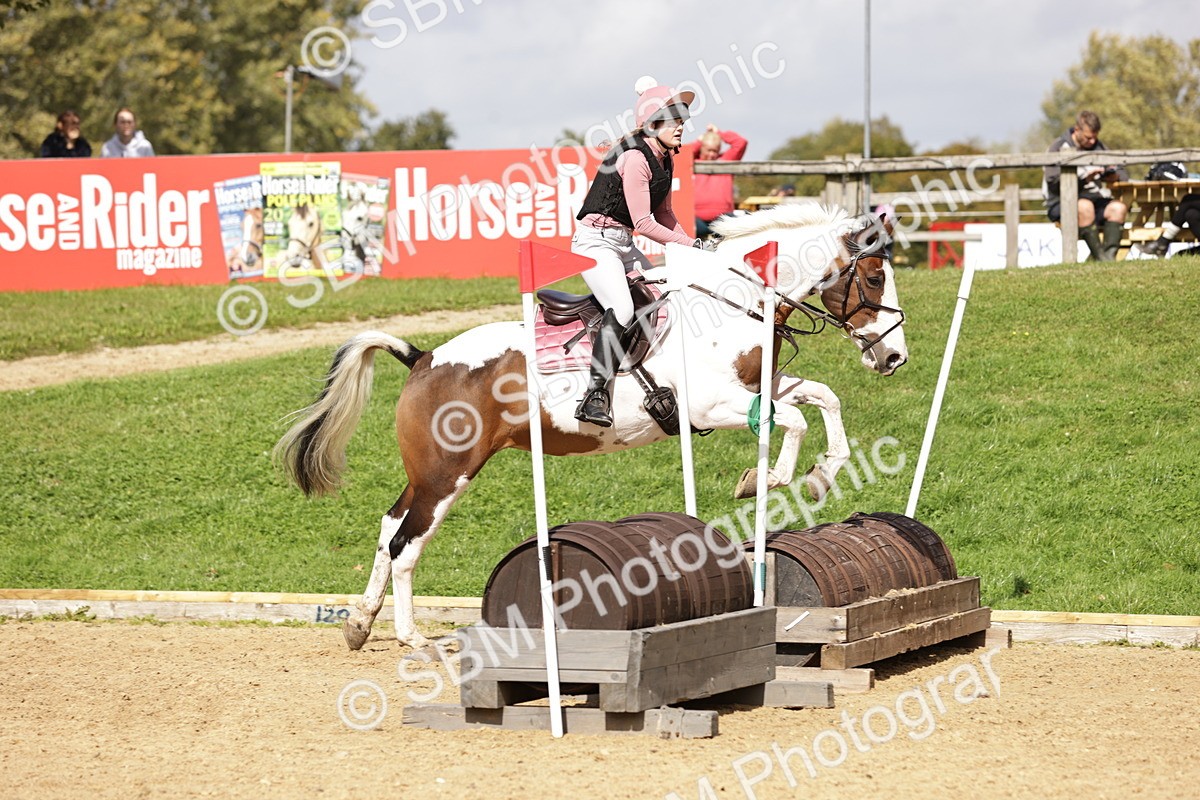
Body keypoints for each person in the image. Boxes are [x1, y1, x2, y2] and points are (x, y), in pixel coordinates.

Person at [571, 77, 707, 428]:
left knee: (666, 295)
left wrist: (695, 251)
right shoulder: (635, 158)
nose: (682, 126)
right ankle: (594, 394)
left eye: (682, 119)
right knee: (624, 306)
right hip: (594, 243)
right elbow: (645, 224)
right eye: (674, 119)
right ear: (653, 124)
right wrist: (690, 245)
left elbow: (665, 215)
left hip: (622, 244)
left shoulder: (665, 159)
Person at [1042, 110, 1128, 261]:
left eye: (1095, 137)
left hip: (1095, 200)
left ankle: (1108, 259)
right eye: (1088, 138)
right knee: (1084, 206)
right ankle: (1101, 259)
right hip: (1062, 203)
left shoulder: (1099, 147)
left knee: (1118, 208)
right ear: (1077, 130)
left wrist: (1113, 176)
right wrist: (1085, 179)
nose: (1092, 142)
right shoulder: (1058, 147)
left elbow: (1123, 173)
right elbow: (1053, 184)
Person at [686, 123, 747, 238]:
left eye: (715, 151)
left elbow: (741, 142)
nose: (712, 154)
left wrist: (719, 132)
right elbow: (683, 154)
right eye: (708, 150)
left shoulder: (726, 160)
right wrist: (700, 140)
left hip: (723, 218)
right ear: (701, 148)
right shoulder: (691, 161)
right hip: (697, 220)